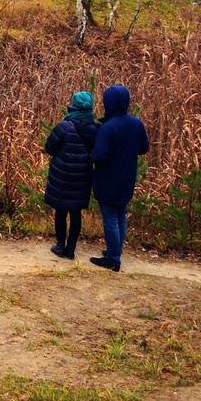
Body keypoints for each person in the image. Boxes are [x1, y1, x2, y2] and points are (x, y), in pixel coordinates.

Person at [90, 85, 149, 271]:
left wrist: (89, 156)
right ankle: (116, 250)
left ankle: (113, 259)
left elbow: (99, 156)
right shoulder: (136, 123)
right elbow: (144, 148)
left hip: (108, 177)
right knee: (121, 214)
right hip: (128, 176)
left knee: (109, 217)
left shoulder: (107, 128)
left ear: (108, 102)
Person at [43, 91, 98, 259]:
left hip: (62, 175)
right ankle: (71, 248)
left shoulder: (64, 126)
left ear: (73, 104)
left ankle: (60, 245)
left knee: (61, 211)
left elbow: (49, 148)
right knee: (76, 212)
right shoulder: (96, 128)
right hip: (82, 176)